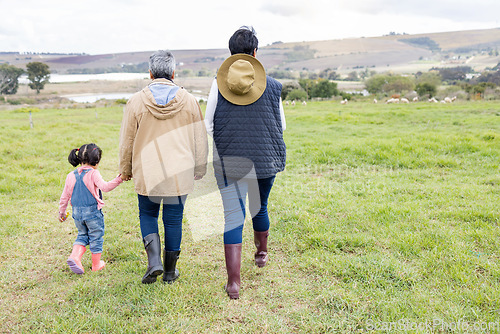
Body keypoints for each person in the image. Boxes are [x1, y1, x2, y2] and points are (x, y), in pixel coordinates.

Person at [204, 26, 286, 299]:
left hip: (230, 161)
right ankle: (261, 254)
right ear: (255, 53)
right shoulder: (273, 86)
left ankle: (234, 283)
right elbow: (282, 126)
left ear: (230, 54)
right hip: (265, 161)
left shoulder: (217, 84)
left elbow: (208, 124)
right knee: (259, 207)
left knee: (233, 218)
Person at [119, 50, 208, 284]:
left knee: (147, 213)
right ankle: (169, 272)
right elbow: (200, 137)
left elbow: (127, 140)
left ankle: (154, 262)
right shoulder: (189, 101)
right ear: (173, 73)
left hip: (147, 172)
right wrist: (200, 166)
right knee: (174, 219)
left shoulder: (136, 101)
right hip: (179, 173)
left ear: (150, 73)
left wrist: (125, 169)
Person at [59, 143, 124, 274]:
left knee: (82, 234)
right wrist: (119, 179)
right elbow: (105, 187)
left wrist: (62, 212)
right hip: (93, 213)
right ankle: (96, 265)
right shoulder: (94, 173)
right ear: (96, 160)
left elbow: (64, 196)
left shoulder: (70, 175)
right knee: (96, 236)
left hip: (76, 213)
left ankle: (75, 256)